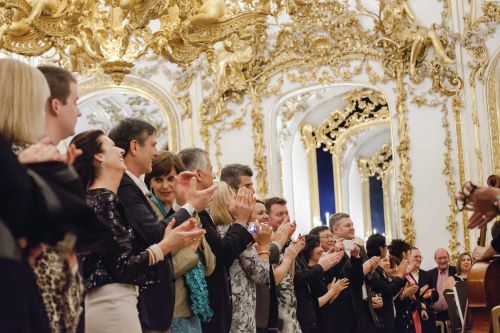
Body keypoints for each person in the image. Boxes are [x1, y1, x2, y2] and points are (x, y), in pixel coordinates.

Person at [70, 130, 205, 333]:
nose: (120, 150)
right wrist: (166, 245)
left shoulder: (101, 198)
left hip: (117, 302)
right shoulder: (102, 199)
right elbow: (124, 266)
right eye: (111, 146)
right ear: (99, 156)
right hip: (112, 305)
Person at [109, 119, 214, 332]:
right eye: (153, 145)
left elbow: (210, 263)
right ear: (135, 147)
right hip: (154, 306)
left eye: (171, 179)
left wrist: (182, 205)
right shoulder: (125, 185)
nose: (156, 152)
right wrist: (190, 205)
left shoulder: (133, 186)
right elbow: (154, 235)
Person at [178, 148, 255, 333]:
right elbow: (222, 255)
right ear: (198, 174)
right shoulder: (191, 211)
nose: (214, 176)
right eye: (211, 169)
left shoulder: (201, 211)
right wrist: (241, 221)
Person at [145, 150, 216, 333]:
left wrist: (196, 246)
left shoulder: (189, 211)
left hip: (193, 309)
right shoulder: (150, 216)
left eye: (171, 178)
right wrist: (190, 253)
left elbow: (210, 265)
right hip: (170, 310)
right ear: (150, 183)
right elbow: (158, 272)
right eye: (158, 180)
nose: (165, 186)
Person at [210, 181, 272, 333]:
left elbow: (253, 229)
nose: (240, 202)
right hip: (240, 318)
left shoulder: (215, 230)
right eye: (234, 198)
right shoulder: (236, 232)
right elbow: (262, 276)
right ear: (224, 203)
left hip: (224, 313)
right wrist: (264, 247)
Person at [294, 234, 345, 332]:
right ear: (308, 249)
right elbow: (311, 304)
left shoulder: (321, 273)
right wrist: (331, 293)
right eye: (317, 246)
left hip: (324, 322)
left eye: (321, 246)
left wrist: (331, 295)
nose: (321, 250)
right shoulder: (305, 274)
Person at [366, 234, 407, 333]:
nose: (387, 250)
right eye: (386, 247)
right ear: (381, 248)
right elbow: (388, 290)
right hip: (380, 323)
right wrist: (400, 275)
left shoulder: (378, 268)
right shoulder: (372, 268)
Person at [408, 247, 438, 333]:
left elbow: (436, 294)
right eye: (416, 256)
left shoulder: (427, 274)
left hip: (427, 318)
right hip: (411, 318)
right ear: (408, 257)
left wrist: (430, 295)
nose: (419, 259)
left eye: (420, 257)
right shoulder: (404, 275)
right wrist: (420, 295)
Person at [428, 248, 456, 324]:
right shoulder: (429, 274)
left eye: (444, 257)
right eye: (439, 258)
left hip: (454, 316)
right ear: (435, 260)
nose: (442, 260)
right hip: (435, 317)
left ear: (449, 258)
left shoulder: (456, 271)